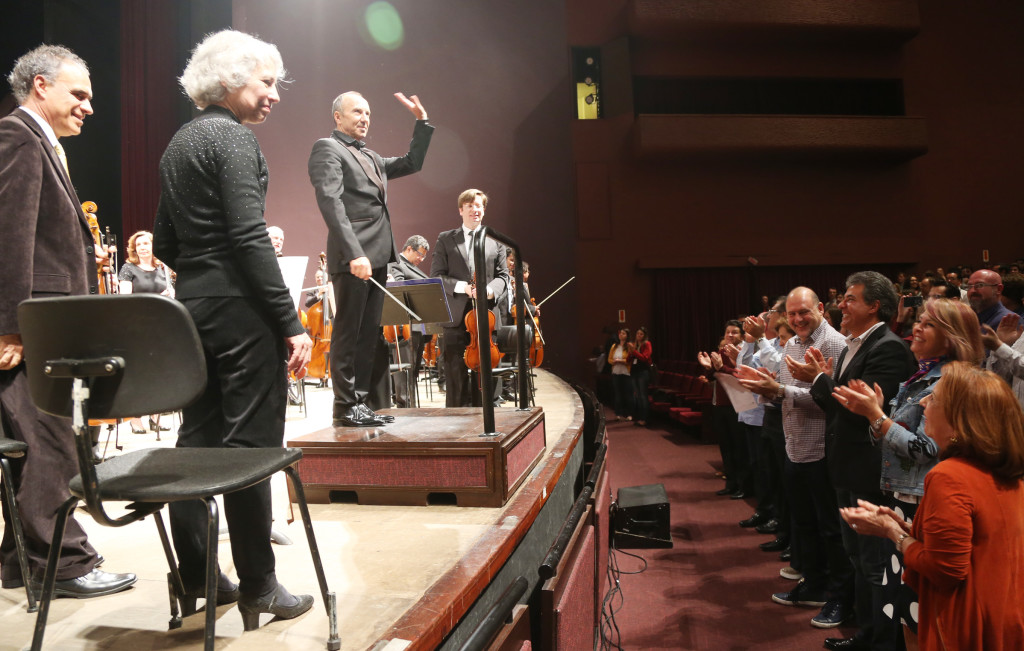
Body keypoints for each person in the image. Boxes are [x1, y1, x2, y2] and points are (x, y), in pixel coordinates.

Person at [152, 29, 314, 628]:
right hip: (244, 312)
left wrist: (203, 272)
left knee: (195, 442)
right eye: (266, 82)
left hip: (192, 309)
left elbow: (165, 239)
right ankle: (259, 588)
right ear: (229, 81)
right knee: (251, 447)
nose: (274, 94)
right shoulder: (233, 140)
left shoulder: (178, 144)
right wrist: (290, 322)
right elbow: (249, 237)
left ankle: (197, 577)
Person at [0, 44, 137, 598]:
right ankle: (66, 565)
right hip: (36, 328)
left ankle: (19, 562)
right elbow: (9, 236)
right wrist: (11, 326)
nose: (88, 106)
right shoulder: (18, 136)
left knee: (35, 440)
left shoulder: (38, 142)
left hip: (43, 322)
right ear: (40, 85)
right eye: (78, 94)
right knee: (50, 441)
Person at [840, 362, 1024, 651]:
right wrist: (907, 527)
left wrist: (892, 532)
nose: (924, 403)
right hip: (1004, 610)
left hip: (964, 623)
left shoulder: (948, 476)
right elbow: (976, 540)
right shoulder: (1005, 471)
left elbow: (944, 569)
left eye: (934, 398)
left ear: (959, 420)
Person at [833, 298, 983, 648]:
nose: (916, 327)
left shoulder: (948, 383)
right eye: (919, 319)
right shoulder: (920, 374)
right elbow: (890, 441)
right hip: (902, 496)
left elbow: (928, 449)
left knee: (914, 606)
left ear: (951, 338)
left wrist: (876, 416)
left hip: (923, 499)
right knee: (898, 603)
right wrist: (877, 418)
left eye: (928, 324)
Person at [792, 272, 917, 649]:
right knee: (859, 559)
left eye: (850, 299)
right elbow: (837, 407)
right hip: (848, 469)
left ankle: (882, 641)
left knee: (877, 565)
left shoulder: (888, 348)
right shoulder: (853, 345)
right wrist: (822, 382)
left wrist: (819, 380)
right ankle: (868, 633)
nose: (840, 305)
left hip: (872, 474)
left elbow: (860, 412)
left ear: (874, 306)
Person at [308, 90, 433, 427]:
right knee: (348, 334)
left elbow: (412, 162)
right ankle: (343, 406)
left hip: (378, 258)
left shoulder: (372, 157)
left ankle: (359, 402)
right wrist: (354, 253)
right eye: (357, 112)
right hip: (354, 258)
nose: (364, 118)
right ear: (338, 116)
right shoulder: (327, 149)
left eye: (368, 113)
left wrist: (421, 122)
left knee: (368, 335)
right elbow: (331, 204)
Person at [736, 287, 851, 631]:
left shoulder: (833, 344)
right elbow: (787, 390)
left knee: (831, 530)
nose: (798, 319)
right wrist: (768, 387)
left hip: (821, 451)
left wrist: (780, 391)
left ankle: (839, 596)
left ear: (820, 308)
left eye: (804, 312)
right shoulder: (791, 343)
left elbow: (832, 400)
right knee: (804, 524)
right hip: (795, 447)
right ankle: (814, 584)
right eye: (792, 314)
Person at [431, 189, 510, 408]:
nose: (475, 210)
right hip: (456, 317)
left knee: (485, 379)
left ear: (483, 210)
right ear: (461, 210)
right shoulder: (446, 239)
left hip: (486, 317)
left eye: (479, 206)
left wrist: (489, 290)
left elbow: (503, 276)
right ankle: (456, 425)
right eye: (470, 206)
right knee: (455, 379)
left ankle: (486, 424)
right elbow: (436, 276)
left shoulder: (496, 240)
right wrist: (463, 287)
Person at [118, 230, 175, 434]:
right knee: (138, 373)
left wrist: (170, 294)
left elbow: (173, 296)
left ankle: (156, 417)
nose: (142, 247)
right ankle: (135, 419)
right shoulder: (128, 268)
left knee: (159, 372)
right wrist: (155, 299)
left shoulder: (163, 269)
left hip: (160, 326)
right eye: (139, 244)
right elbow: (125, 300)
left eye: (146, 243)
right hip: (138, 326)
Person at [387, 235, 431, 407]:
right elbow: (399, 290)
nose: (421, 259)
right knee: (405, 371)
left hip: (418, 325)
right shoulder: (396, 264)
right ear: (409, 249)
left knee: (412, 371)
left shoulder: (411, 266)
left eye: (424, 256)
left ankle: (411, 406)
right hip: (405, 326)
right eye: (420, 254)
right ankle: (405, 406)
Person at [629, 326, 653, 426]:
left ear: (644, 336)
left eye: (641, 334)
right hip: (634, 371)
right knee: (637, 395)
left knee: (643, 396)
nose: (639, 336)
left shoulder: (647, 344)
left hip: (643, 372)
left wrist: (634, 351)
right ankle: (638, 417)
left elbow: (645, 357)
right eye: (638, 334)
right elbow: (628, 359)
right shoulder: (635, 344)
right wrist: (631, 352)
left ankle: (644, 418)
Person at [607, 327, 632, 421]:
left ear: (627, 335)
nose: (621, 335)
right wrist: (613, 362)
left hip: (626, 372)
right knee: (618, 394)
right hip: (616, 372)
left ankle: (629, 413)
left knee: (627, 393)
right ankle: (618, 413)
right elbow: (609, 359)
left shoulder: (629, 346)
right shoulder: (614, 346)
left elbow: (630, 360)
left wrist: (620, 361)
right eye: (620, 333)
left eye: (623, 333)